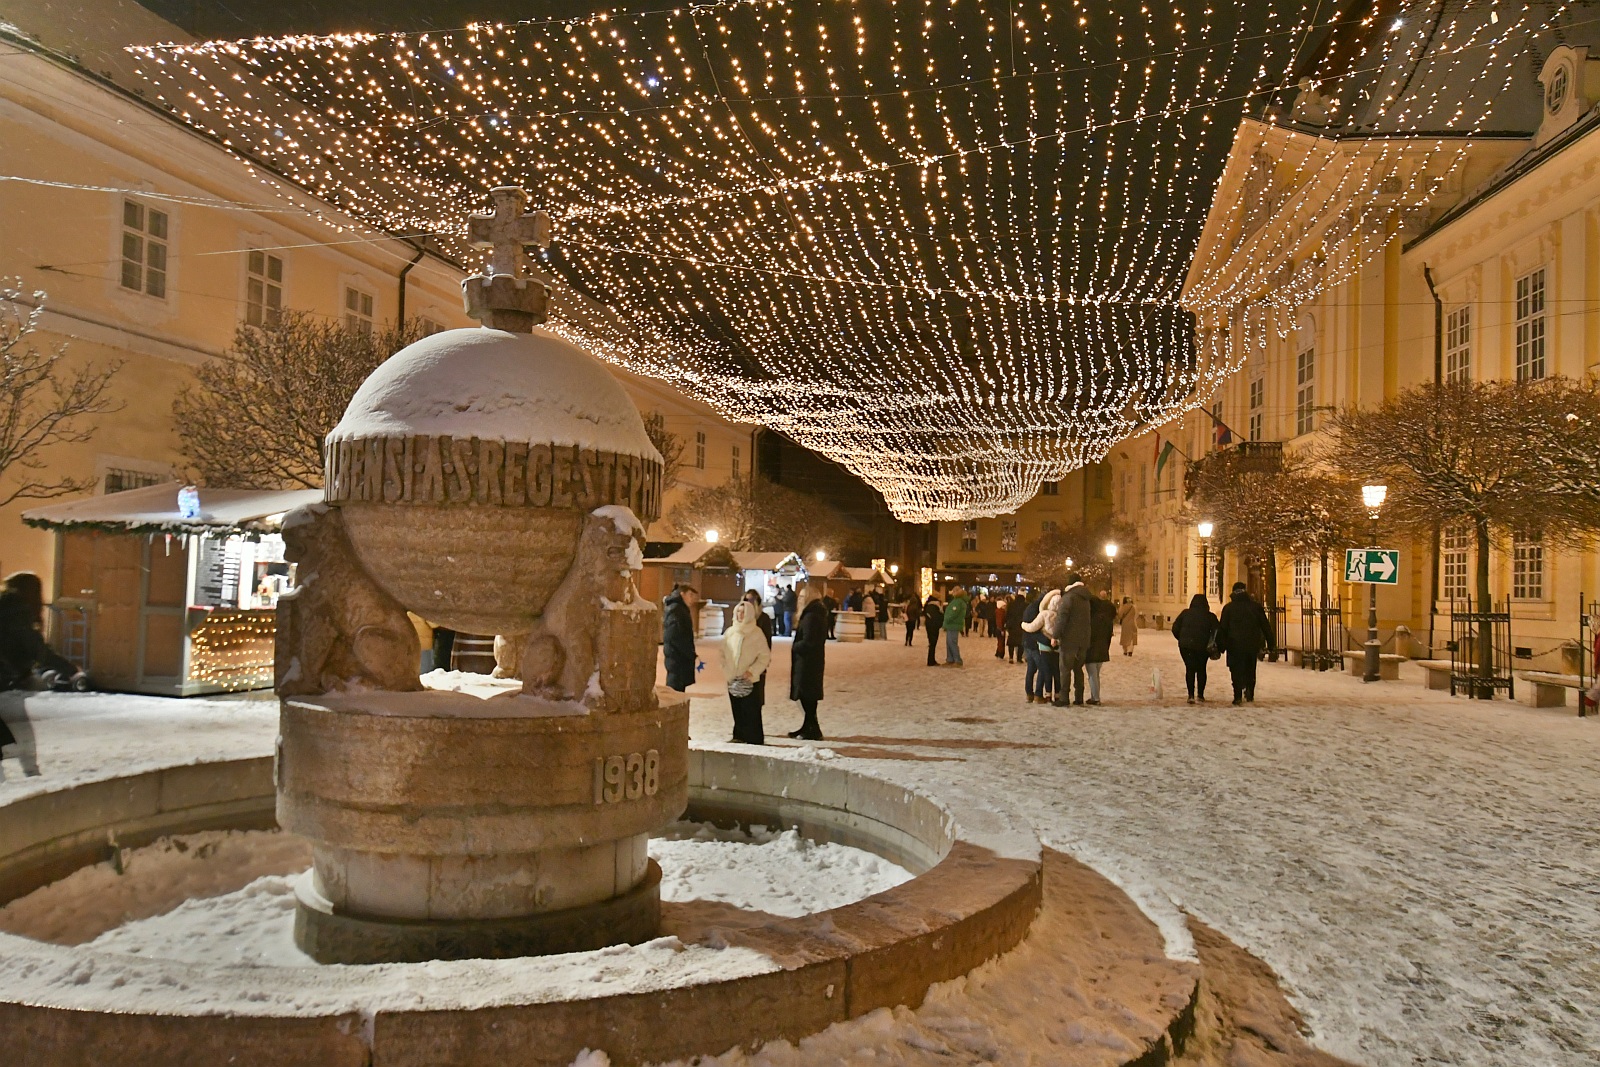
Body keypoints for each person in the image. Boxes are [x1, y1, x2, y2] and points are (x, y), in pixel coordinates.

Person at [0, 572, 83, 691]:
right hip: (8, 676)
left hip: (7, 672)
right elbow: (35, 648)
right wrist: (70, 669)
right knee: (39, 687)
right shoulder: (17, 611)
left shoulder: (7, 607)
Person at [721, 599, 771, 744]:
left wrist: (752, 671)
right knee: (737, 708)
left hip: (749, 679)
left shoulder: (756, 633)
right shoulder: (730, 632)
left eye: (743, 612)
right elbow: (722, 653)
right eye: (738, 612)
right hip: (732, 679)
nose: (740, 615)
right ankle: (739, 735)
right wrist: (727, 670)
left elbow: (764, 656)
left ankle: (754, 738)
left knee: (751, 710)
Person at [1217, 581, 1275, 705]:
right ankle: (1249, 692)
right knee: (1250, 668)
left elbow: (1223, 629)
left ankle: (1237, 695)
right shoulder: (1255, 607)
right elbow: (1265, 626)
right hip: (1251, 644)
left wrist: (1221, 646)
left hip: (1234, 645)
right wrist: (1271, 644)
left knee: (1235, 670)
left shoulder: (1228, 608)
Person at [788, 586, 828, 740]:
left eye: (803, 596)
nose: (799, 598)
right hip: (810, 661)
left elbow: (810, 640)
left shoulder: (812, 615)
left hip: (808, 662)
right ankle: (809, 725)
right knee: (806, 695)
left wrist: (796, 646)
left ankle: (813, 728)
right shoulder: (813, 613)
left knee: (807, 695)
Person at [1050, 574, 1091, 706]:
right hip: (1083, 640)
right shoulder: (1086, 598)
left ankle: (1064, 698)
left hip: (1069, 640)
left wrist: (1055, 635)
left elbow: (1062, 618)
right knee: (1078, 669)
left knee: (1065, 669)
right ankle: (1079, 697)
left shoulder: (1068, 598)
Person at [1171, 593, 1219, 704]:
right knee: (1202, 668)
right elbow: (1217, 631)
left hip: (1186, 646)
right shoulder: (1209, 616)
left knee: (1190, 668)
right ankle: (1200, 695)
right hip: (1202, 646)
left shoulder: (1185, 613)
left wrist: (1182, 639)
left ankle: (1191, 695)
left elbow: (1175, 628)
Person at [1020, 589, 1058, 703]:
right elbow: (1035, 630)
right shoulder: (1039, 611)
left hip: (1027, 642)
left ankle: (1029, 694)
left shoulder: (1030, 607)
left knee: (1031, 669)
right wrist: (1047, 641)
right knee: (1042, 669)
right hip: (1035, 644)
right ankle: (1038, 694)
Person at [661, 584, 700, 692]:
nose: (692, 599)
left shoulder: (680, 608)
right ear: (682, 594)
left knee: (678, 687)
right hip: (676, 657)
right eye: (690, 595)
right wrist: (689, 652)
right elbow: (674, 636)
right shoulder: (676, 610)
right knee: (675, 690)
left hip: (678, 657)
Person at [1085, 589, 1116, 705]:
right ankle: (1094, 696)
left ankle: (1096, 698)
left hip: (1092, 649)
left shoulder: (1091, 619)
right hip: (1102, 648)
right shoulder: (1106, 619)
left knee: (1092, 675)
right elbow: (1109, 634)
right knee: (1096, 674)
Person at [942, 586, 969, 667]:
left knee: (952, 642)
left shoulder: (958, 602)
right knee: (949, 642)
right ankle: (950, 659)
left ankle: (957, 660)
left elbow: (954, 612)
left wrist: (947, 619)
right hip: (952, 624)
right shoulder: (957, 601)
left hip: (953, 624)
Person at [922, 594, 944, 666]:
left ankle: (931, 660)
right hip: (933, 627)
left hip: (929, 626)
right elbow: (937, 617)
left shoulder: (928, 606)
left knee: (931, 643)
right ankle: (931, 661)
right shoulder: (934, 607)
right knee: (933, 644)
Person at [1006, 593, 1027, 663]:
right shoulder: (1025, 605)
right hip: (1021, 626)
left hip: (1012, 626)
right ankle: (1019, 658)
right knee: (1021, 643)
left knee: (1011, 643)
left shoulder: (1011, 604)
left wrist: (1007, 624)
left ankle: (1011, 657)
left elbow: (1007, 615)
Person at [993, 594, 1008, 659]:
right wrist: (1001, 629)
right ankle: (1000, 653)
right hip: (1000, 629)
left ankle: (998, 652)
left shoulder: (998, 611)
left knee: (1000, 641)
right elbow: (1000, 621)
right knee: (1001, 641)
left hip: (999, 628)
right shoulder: (1001, 612)